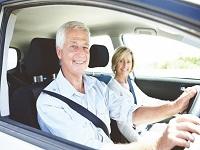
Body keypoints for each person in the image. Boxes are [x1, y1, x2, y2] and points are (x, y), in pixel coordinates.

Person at [36, 21, 200, 150]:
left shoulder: (97, 86)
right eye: (73, 46)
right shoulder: (48, 103)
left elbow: (130, 113)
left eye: (85, 47)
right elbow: (92, 147)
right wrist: (156, 145)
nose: (81, 53)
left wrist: (175, 107)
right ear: (59, 52)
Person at [107, 46, 192, 142]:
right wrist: (142, 145)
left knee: (182, 131)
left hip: (146, 128)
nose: (125, 65)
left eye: (128, 61)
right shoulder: (112, 88)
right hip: (136, 137)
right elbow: (123, 125)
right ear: (115, 62)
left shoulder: (129, 82)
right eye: (121, 61)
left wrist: (174, 105)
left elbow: (147, 100)